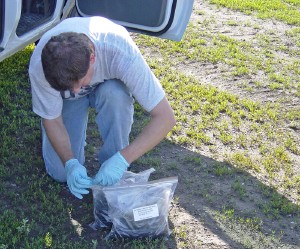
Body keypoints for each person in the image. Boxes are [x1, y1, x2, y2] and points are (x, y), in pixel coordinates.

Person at [29, 16, 176, 199]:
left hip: (108, 88)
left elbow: (165, 118)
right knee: (60, 173)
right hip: (66, 102)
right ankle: (67, 154)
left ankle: (114, 159)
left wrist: (124, 159)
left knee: (115, 94)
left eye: (79, 82)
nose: (75, 91)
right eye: (67, 86)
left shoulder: (121, 53)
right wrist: (70, 163)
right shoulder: (41, 66)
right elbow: (52, 119)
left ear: (92, 58)